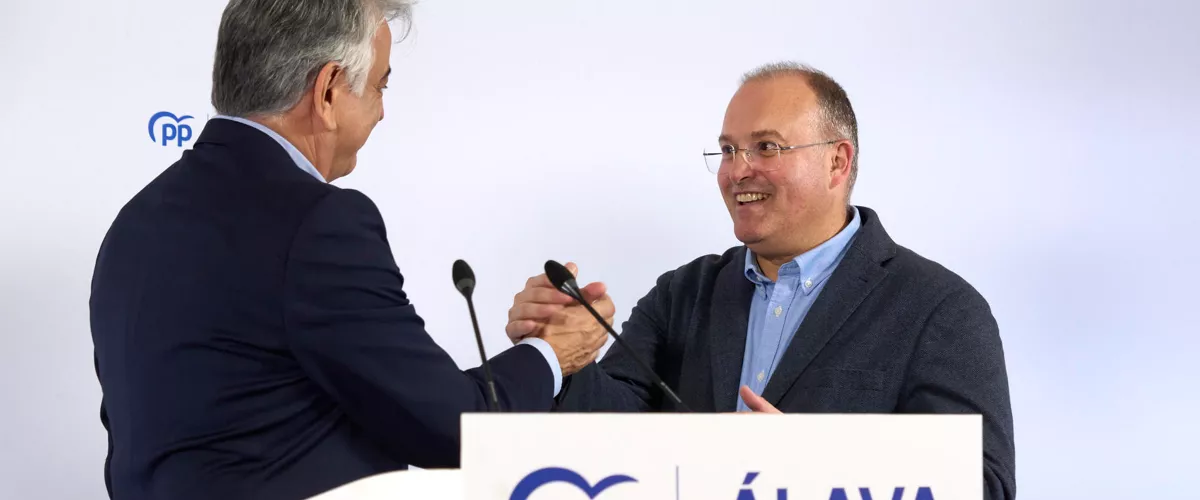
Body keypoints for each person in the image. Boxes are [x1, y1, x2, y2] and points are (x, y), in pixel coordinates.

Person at [88, 1, 609, 499]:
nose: (382, 113)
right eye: (380, 86)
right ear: (329, 90)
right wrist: (551, 354)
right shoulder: (318, 224)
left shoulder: (134, 224)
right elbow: (453, 428)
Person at [506, 62, 1016, 500]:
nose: (737, 171)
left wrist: (810, 467)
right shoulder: (683, 293)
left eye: (766, 147)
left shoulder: (939, 308)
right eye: (728, 151)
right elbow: (611, 433)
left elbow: (980, 486)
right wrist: (560, 357)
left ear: (838, 161)